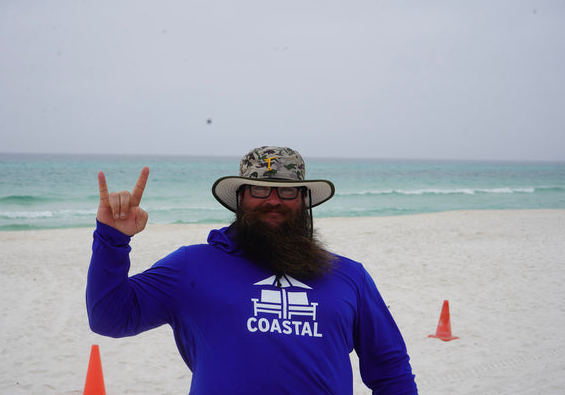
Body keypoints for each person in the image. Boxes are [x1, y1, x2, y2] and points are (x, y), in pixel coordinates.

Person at [86, 146, 418, 394]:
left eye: (288, 190)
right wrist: (112, 239)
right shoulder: (191, 266)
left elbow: (390, 370)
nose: (273, 200)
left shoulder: (349, 276)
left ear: (303, 200)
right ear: (240, 198)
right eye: (259, 189)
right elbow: (109, 317)